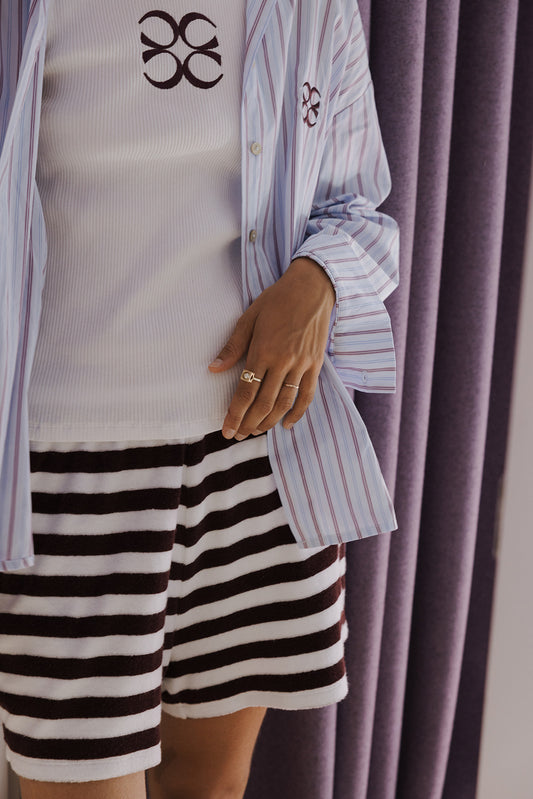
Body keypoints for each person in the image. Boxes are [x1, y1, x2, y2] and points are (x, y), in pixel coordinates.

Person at [0, 1, 399, 797]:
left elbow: (357, 209)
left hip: (263, 458)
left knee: (213, 783)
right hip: (67, 475)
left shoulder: (310, 9)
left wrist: (319, 280)